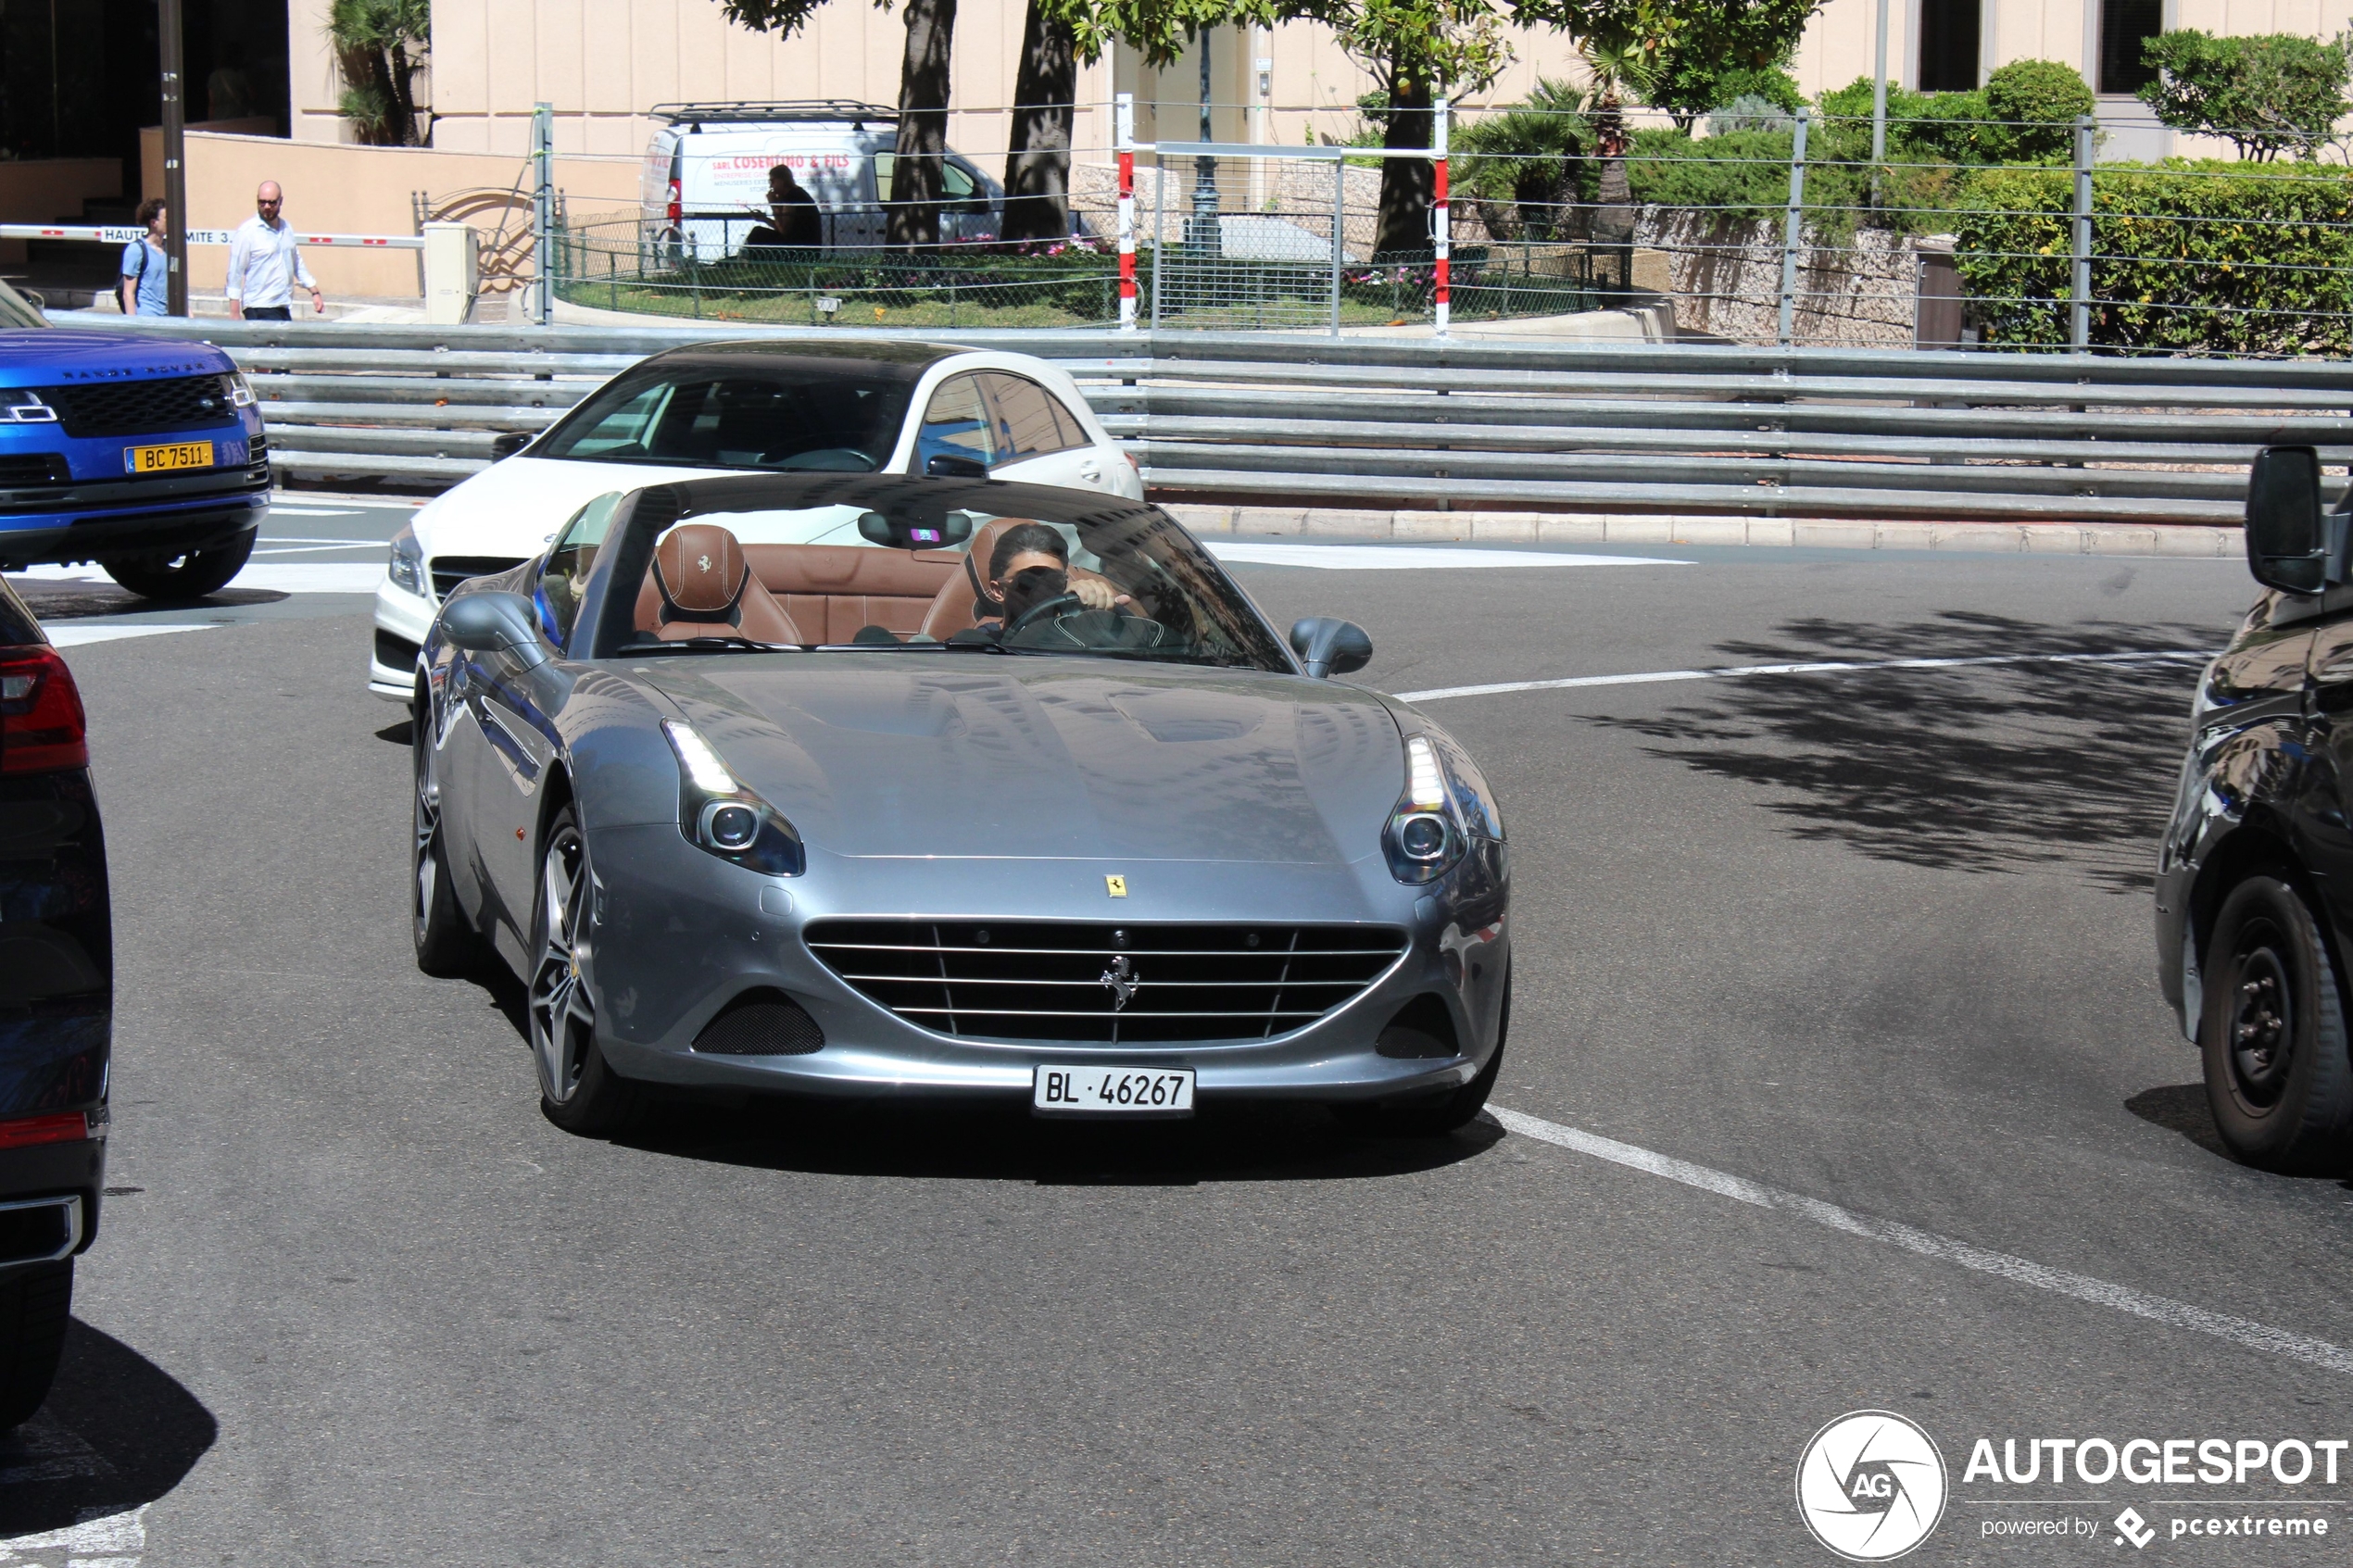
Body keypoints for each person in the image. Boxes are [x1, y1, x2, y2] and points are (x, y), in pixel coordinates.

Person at [226, 182, 323, 320]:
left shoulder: (286, 228)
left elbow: (296, 262)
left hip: (282, 306)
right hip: (259, 307)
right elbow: (234, 272)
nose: (266, 207)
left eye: (272, 203)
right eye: (262, 202)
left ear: (280, 201)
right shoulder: (247, 232)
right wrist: (234, 312)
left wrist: (314, 292)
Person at [118, 199, 170, 317]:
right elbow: (128, 293)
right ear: (153, 223)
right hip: (147, 317)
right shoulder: (136, 250)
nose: (171, 221)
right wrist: (134, 325)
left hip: (168, 317)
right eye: (166, 218)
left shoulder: (170, 250)